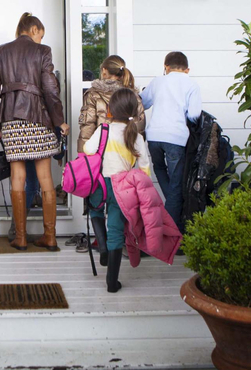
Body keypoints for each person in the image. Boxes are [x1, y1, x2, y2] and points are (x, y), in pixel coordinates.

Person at [0, 12, 69, 251]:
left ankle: (21, 237)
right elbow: (51, 89)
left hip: (11, 121)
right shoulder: (42, 52)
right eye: (41, 35)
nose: (41, 40)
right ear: (33, 29)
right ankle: (50, 237)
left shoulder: (1, 51)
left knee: (18, 178)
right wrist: (59, 120)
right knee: (45, 179)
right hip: (38, 119)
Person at [83, 88, 151, 293]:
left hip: (101, 183)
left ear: (110, 110)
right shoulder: (136, 136)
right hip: (124, 188)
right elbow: (145, 167)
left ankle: (102, 247)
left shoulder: (104, 130)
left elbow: (88, 150)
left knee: (95, 211)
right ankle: (112, 283)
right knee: (115, 228)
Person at [78, 55, 146, 257]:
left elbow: (87, 127)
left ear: (105, 72)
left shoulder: (93, 94)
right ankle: (120, 240)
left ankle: (101, 241)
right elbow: (140, 125)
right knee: (119, 204)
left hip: (98, 156)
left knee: (96, 202)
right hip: (123, 160)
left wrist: (83, 156)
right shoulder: (132, 94)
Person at [139, 51, 202, 232]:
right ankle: (172, 232)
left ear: (166, 66)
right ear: (187, 69)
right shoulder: (192, 85)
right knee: (176, 186)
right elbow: (194, 115)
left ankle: (173, 204)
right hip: (176, 139)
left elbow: (142, 103)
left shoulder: (158, 81)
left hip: (154, 137)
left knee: (159, 168)